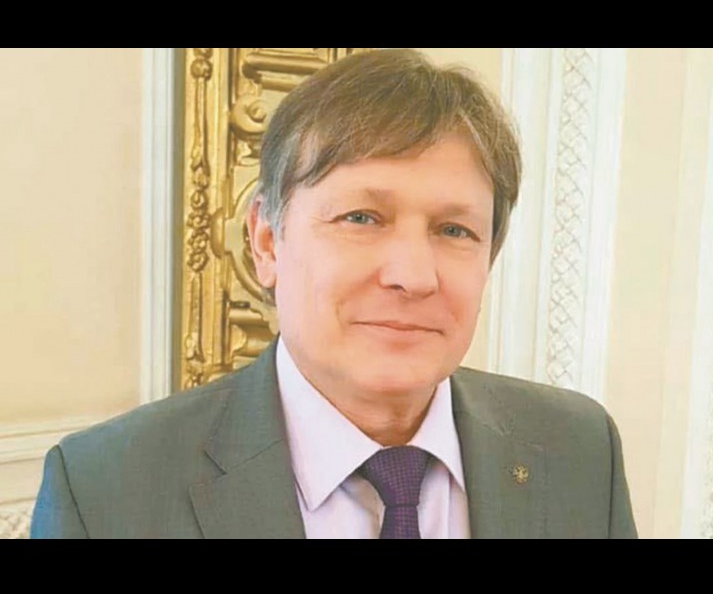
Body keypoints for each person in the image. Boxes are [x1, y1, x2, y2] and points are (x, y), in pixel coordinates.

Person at [30, 48, 637, 539]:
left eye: (454, 230)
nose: (413, 275)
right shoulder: (106, 492)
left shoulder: (579, 449)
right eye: (361, 218)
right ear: (267, 241)